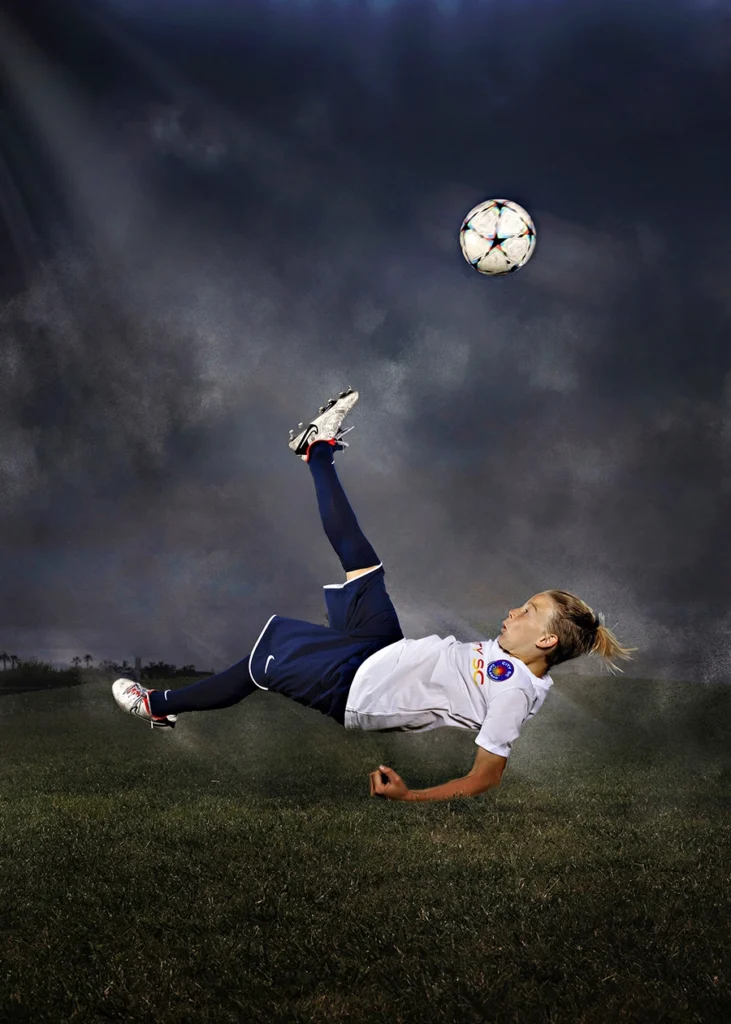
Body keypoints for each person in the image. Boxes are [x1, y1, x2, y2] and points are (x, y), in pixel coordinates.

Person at [113, 389, 635, 802]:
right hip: (385, 652)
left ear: (545, 640)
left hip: (361, 689)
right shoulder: (516, 661)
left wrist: (411, 797)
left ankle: (158, 706)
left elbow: (485, 777)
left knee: (261, 662)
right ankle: (317, 450)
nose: (512, 610)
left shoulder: (515, 694)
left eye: (528, 611)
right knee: (363, 562)